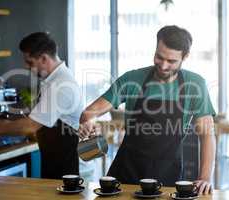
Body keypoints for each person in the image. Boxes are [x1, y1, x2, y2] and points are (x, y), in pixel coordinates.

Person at [79, 25, 216, 194]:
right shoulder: (132, 79)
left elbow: (207, 134)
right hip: (126, 175)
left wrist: (204, 177)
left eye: (171, 61)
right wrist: (88, 119)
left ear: (185, 57)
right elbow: (89, 112)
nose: (164, 65)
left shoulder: (195, 85)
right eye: (159, 57)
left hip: (167, 177)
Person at [0, 32, 83, 179]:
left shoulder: (61, 85)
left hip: (64, 172)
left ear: (43, 58)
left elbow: (30, 126)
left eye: (30, 62)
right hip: (54, 165)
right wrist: (7, 123)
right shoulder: (54, 81)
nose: (27, 67)